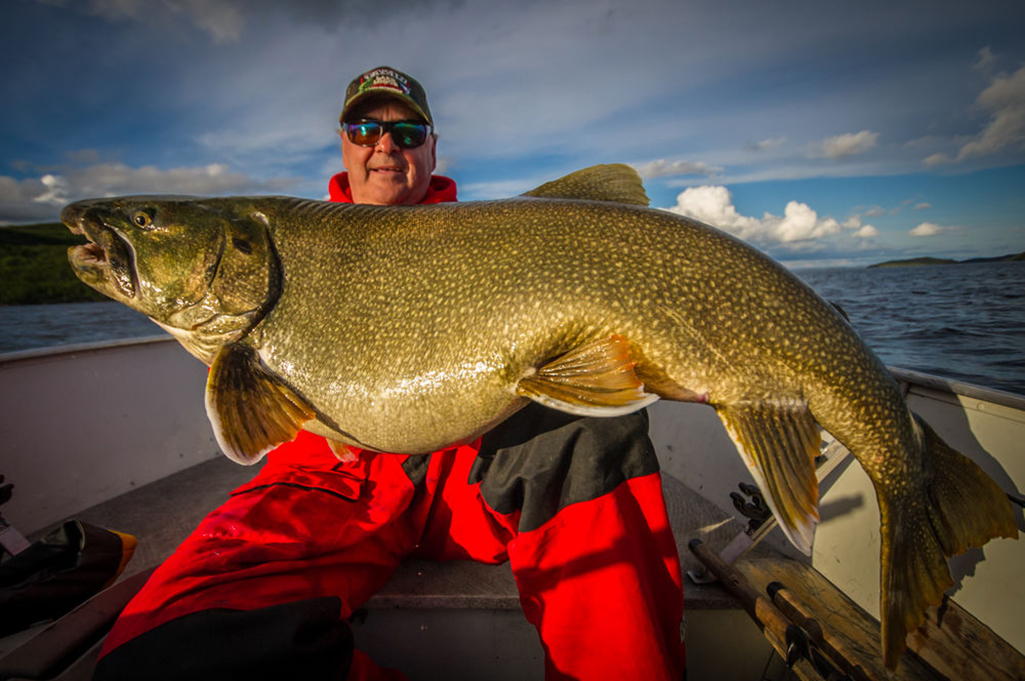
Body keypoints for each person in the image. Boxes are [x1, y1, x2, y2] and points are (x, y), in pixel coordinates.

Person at [93, 66, 686, 681]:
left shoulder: (503, 237)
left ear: (432, 148)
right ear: (344, 143)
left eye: (407, 131)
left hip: (470, 476)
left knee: (592, 435)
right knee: (162, 651)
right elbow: (251, 429)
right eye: (364, 127)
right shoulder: (285, 237)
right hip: (326, 485)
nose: (385, 143)